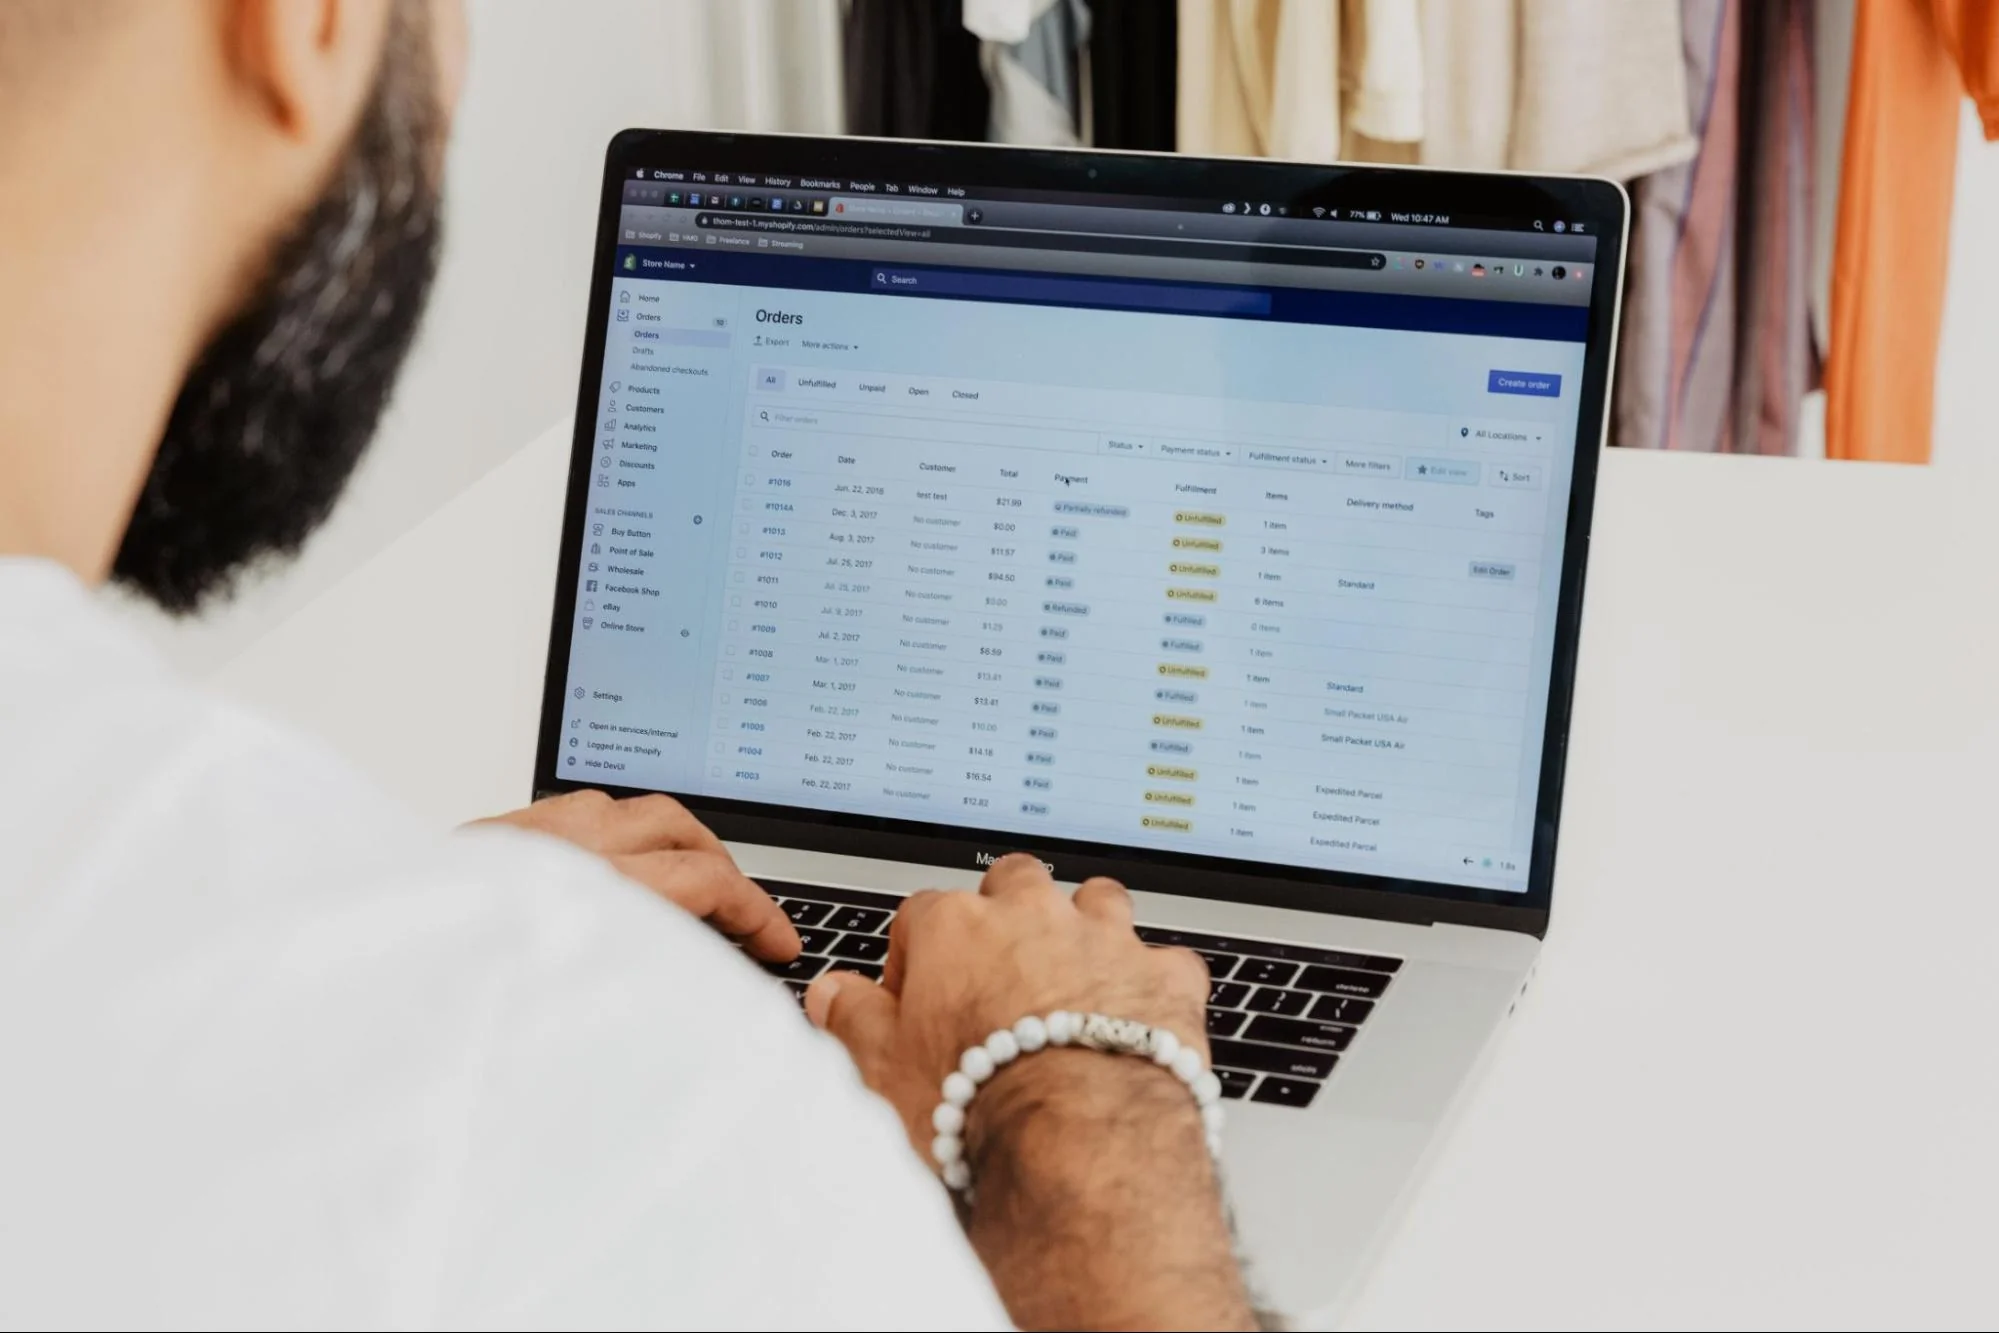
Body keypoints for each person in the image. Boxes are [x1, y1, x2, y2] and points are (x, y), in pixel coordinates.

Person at [0, 3, 1256, 1329]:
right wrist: (1077, 1086)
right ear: (308, 26)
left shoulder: (203, 959)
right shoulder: (614, 1114)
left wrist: (385, 936)